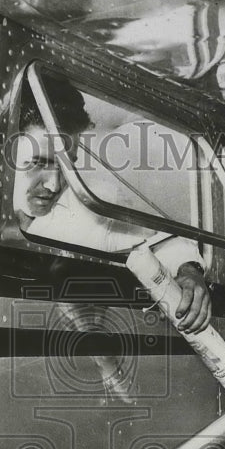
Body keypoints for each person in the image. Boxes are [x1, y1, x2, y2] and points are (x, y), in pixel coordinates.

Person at [11, 77, 212, 334]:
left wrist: (190, 272)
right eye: (38, 163)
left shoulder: (92, 209)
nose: (54, 184)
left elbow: (163, 243)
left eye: (67, 165)